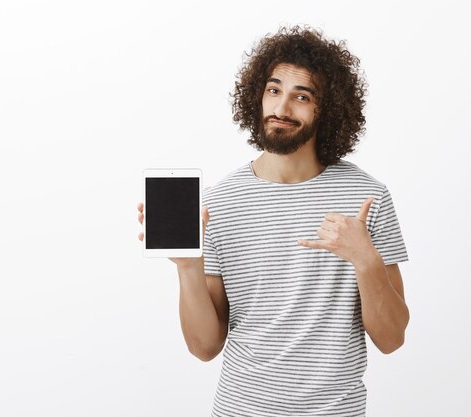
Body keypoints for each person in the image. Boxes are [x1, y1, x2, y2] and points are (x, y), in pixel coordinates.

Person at [136, 25, 409, 417]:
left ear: (325, 109)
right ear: (257, 96)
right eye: (274, 90)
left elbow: (392, 339)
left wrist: (366, 261)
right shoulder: (219, 203)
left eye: (302, 97)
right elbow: (204, 348)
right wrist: (188, 267)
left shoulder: (368, 197)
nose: (281, 109)